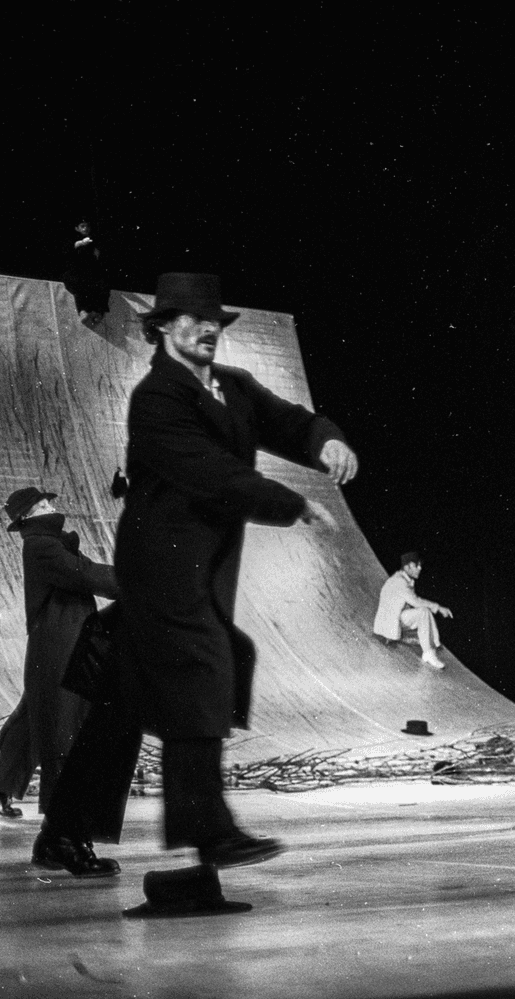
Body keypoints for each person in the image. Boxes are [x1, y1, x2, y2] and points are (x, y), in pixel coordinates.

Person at [34, 272, 359, 894]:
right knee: (204, 669)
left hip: (202, 569)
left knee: (121, 708)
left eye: (214, 320)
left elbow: (289, 421)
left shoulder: (232, 387)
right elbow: (209, 474)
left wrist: (327, 440)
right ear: (163, 328)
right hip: (159, 570)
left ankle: (62, 831)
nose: (208, 329)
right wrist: (290, 503)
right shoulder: (157, 399)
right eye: (193, 320)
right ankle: (208, 829)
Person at [0, 488, 120, 821]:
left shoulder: (50, 545)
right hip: (58, 652)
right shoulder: (42, 546)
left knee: (30, 723)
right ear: (27, 518)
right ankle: (61, 829)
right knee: (60, 730)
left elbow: (85, 568)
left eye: (49, 502)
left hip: (56, 649)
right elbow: (83, 574)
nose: (50, 508)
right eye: (41, 506)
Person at [372, 552, 452, 669]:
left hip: (391, 622)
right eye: (416, 566)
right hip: (387, 628)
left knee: (422, 613)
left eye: (420, 566)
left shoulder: (402, 579)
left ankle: (432, 644)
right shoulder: (399, 582)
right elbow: (416, 602)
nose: (420, 569)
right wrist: (438, 607)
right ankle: (429, 653)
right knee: (423, 612)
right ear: (407, 567)